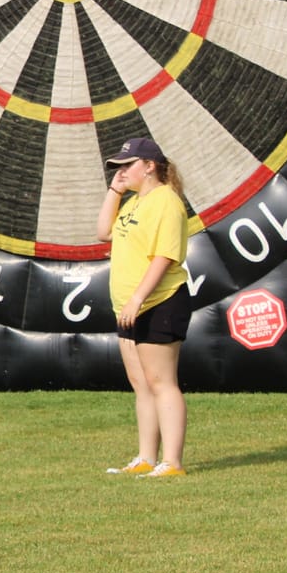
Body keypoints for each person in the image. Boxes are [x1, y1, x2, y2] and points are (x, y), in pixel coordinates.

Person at [95, 135, 192, 478]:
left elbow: (164, 256)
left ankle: (173, 463)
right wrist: (115, 191)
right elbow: (103, 231)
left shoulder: (166, 201)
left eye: (127, 165)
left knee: (161, 381)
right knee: (141, 383)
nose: (121, 171)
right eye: (118, 166)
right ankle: (147, 458)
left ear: (149, 166)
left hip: (159, 301)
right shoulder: (134, 201)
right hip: (128, 305)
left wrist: (138, 298)